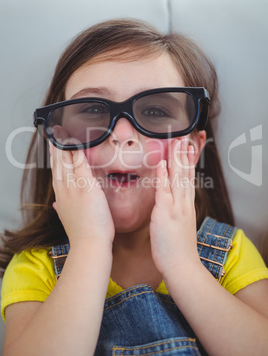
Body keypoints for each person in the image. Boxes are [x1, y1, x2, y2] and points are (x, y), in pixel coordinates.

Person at [1, 19, 268, 356]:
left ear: (192, 150)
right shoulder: (35, 267)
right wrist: (90, 246)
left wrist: (182, 264)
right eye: (94, 109)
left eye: (155, 111)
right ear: (57, 144)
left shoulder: (230, 253)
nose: (123, 134)